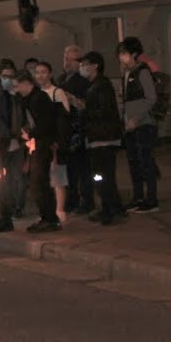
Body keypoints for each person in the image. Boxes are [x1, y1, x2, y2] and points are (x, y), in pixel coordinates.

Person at [78, 51, 127, 225]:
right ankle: (114, 207)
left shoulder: (101, 85)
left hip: (103, 138)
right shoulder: (95, 85)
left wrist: (85, 111)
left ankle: (108, 210)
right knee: (104, 175)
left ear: (95, 65)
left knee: (101, 176)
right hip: (99, 137)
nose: (82, 67)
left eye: (84, 63)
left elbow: (105, 111)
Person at [13, 70, 61, 233]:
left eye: (18, 85)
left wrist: (30, 134)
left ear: (27, 83)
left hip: (42, 144)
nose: (16, 89)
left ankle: (50, 218)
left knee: (39, 182)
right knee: (37, 182)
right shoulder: (30, 99)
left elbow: (46, 123)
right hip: (37, 144)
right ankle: (47, 217)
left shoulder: (38, 99)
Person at [117, 36, 160, 213]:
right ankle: (138, 197)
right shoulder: (127, 72)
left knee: (146, 161)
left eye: (124, 53)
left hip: (143, 124)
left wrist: (137, 119)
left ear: (134, 53)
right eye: (120, 53)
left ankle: (151, 199)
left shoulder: (142, 71)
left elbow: (151, 98)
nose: (121, 57)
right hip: (130, 125)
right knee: (133, 161)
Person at [0, 59, 21, 233]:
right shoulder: (1, 94)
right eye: (5, 76)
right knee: (2, 179)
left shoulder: (8, 95)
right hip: (5, 139)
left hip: (6, 140)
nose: (8, 79)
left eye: (11, 76)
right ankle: (3, 214)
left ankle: (5, 215)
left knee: (5, 179)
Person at [56, 45, 92, 215]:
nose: (67, 63)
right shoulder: (61, 79)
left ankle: (86, 200)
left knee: (82, 168)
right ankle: (71, 199)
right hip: (64, 131)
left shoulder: (83, 81)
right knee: (68, 169)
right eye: (65, 59)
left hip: (78, 131)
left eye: (71, 60)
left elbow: (85, 105)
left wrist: (70, 98)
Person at [34, 60, 72, 224]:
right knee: (43, 177)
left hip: (54, 141)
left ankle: (60, 209)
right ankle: (48, 210)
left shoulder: (57, 92)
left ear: (50, 74)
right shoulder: (36, 93)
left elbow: (64, 117)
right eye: (38, 72)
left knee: (57, 176)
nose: (40, 75)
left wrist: (58, 140)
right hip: (40, 141)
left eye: (44, 71)